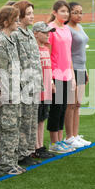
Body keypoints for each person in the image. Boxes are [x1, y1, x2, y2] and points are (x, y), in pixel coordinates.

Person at [0, 5, 24, 176]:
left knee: (14, 128)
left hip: (14, 92)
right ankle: (5, 164)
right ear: (5, 22)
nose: (18, 22)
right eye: (15, 19)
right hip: (5, 95)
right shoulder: (1, 41)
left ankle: (11, 161)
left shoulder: (11, 40)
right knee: (6, 129)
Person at [11, 0, 41, 167]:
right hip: (23, 84)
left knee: (31, 119)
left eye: (32, 13)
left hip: (33, 83)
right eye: (28, 13)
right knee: (22, 120)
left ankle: (29, 149)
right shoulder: (16, 34)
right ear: (20, 16)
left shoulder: (29, 33)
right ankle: (21, 153)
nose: (32, 16)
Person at [47, 0, 76, 154]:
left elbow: (68, 54)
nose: (66, 14)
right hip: (55, 74)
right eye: (62, 11)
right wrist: (50, 78)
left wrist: (72, 74)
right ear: (55, 13)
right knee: (56, 109)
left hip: (66, 74)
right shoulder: (50, 30)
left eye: (67, 11)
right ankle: (54, 142)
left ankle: (60, 139)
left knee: (63, 107)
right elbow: (48, 53)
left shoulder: (66, 29)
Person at [64, 2, 91, 148]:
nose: (79, 15)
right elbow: (67, 53)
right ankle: (69, 136)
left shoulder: (79, 27)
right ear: (69, 13)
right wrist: (73, 72)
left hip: (81, 68)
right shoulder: (67, 29)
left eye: (81, 12)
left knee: (78, 104)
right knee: (71, 104)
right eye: (75, 12)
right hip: (71, 69)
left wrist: (85, 70)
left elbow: (82, 52)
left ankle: (75, 134)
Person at [32, 21, 56, 159]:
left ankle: (40, 145)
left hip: (46, 90)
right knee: (36, 120)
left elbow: (49, 68)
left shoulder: (46, 49)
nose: (48, 35)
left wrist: (51, 82)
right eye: (45, 33)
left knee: (42, 119)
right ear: (36, 34)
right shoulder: (33, 50)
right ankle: (35, 147)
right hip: (37, 91)